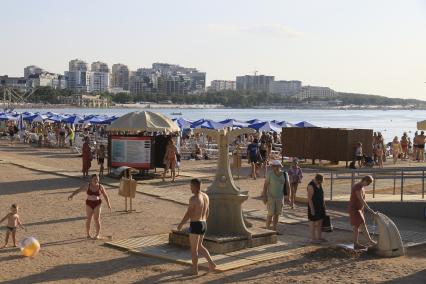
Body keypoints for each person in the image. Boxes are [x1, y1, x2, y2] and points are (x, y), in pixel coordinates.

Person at [177, 178, 216, 276]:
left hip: (195, 224)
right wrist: (203, 222)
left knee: (194, 249)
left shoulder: (194, 198)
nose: (190, 188)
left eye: (191, 186)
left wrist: (181, 224)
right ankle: (211, 263)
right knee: (199, 246)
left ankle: (195, 270)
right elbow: (207, 212)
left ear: (194, 186)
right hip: (203, 223)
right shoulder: (206, 196)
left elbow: (189, 213)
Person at [68, 174, 112, 239]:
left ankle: (97, 235)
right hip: (89, 203)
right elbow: (79, 190)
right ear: (91, 179)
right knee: (89, 219)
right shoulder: (87, 186)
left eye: (97, 179)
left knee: (96, 219)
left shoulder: (101, 187)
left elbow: (105, 196)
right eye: (94, 179)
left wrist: (109, 204)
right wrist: (72, 195)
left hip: (97, 203)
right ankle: (88, 234)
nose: (96, 180)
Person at [349, 175, 377, 249]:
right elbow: (361, 199)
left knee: (357, 226)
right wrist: (369, 209)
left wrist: (363, 209)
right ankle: (370, 241)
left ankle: (356, 243)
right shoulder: (357, 187)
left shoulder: (361, 187)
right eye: (368, 183)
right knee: (362, 224)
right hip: (355, 209)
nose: (368, 185)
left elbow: (361, 201)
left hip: (359, 209)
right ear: (364, 180)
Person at [262, 160, 290, 231]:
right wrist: (265, 196)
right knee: (270, 213)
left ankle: (274, 229)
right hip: (271, 196)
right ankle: (267, 229)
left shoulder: (285, 174)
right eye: (274, 166)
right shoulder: (270, 174)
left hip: (280, 196)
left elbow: (287, 186)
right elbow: (265, 186)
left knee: (277, 214)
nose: (276, 168)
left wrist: (288, 197)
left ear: (280, 166)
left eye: (278, 166)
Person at [307, 174, 326, 244]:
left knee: (320, 222)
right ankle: (312, 239)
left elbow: (322, 195)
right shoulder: (311, 186)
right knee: (313, 223)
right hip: (313, 206)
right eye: (320, 182)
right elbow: (309, 199)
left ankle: (319, 237)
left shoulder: (319, 184)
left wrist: (324, 204)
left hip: (320, 206)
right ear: (317, 180)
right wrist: (312, 209)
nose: (321, 183)